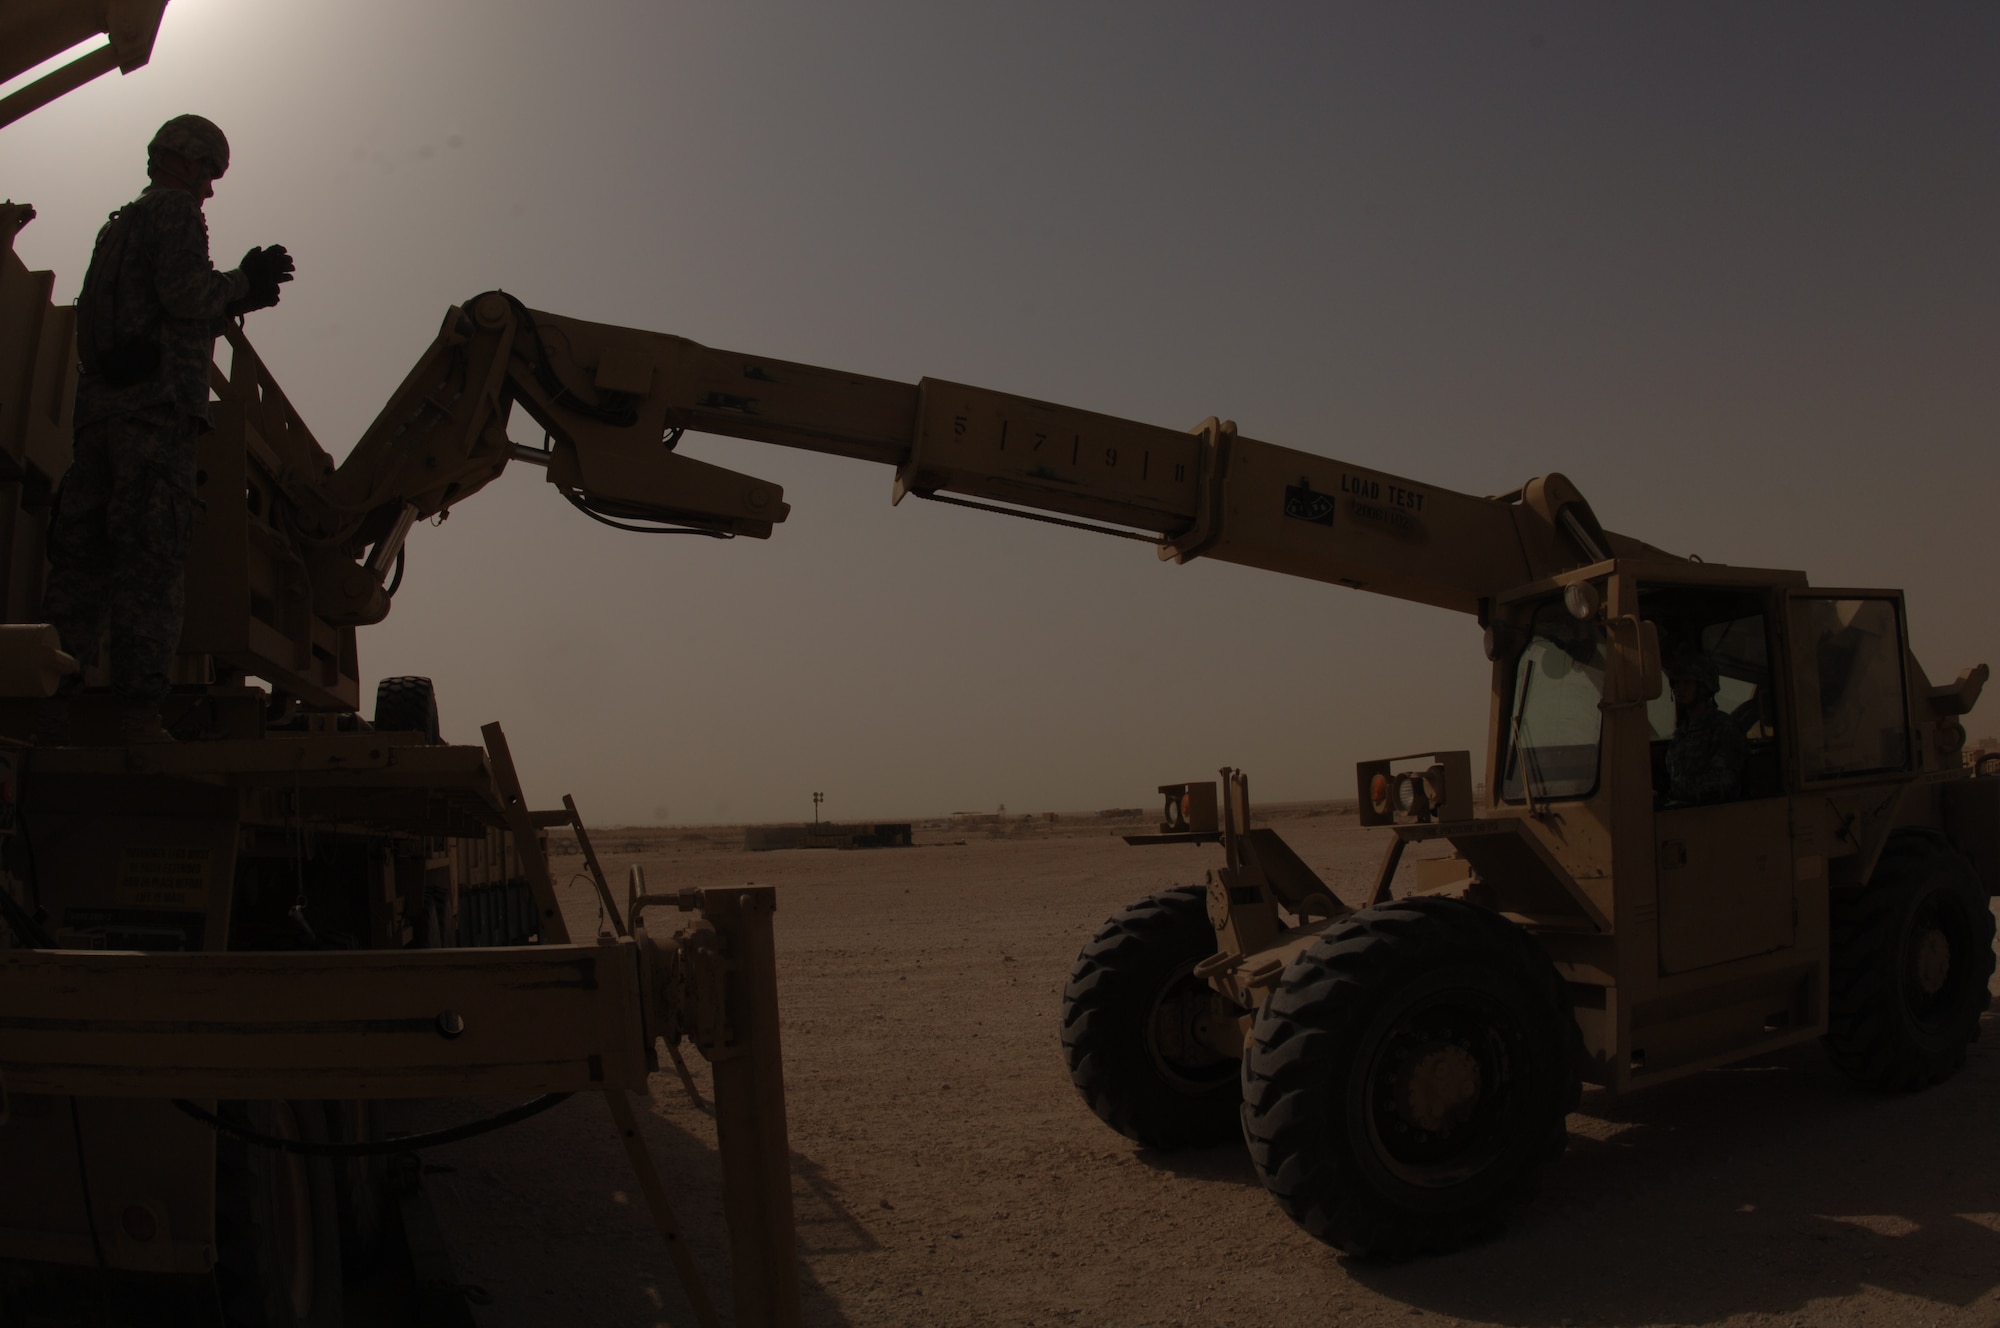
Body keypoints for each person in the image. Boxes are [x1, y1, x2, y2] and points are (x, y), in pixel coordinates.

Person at [42, 114, 294, 743]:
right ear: (181, 161)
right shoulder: (176, 214)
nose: (209, 189)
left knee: (80, 569)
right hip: (154, 423)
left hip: (98, 421)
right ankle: (138, 719)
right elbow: (185, 296)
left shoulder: (116, 227)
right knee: (149, 563)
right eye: (207, 171)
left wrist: (235, 290)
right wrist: (244, 283)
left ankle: (47, 710)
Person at [1664, 652, 1748, 804]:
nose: (1679, 689)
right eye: (1676, 683)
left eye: (1686, 683)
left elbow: (1723, 782)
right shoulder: (1683, 732)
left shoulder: (1724, 728)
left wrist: (1679, 795)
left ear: (1704, 687)